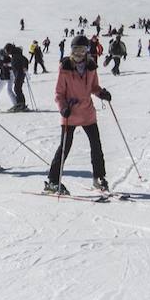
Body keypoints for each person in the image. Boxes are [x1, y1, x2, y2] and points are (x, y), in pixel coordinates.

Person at [44, 35, 111, 194]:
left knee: (96, 146)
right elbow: (59, 93)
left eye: (82, 50)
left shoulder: (91, 66)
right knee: (65, 147)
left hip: (87, 112)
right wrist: (63, 108)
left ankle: (99, 177)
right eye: (75, 50)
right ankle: (53, 180)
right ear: (71, 50)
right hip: (70, 113)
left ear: (87, 50)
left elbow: (94, 87)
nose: (78, 53)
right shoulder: (65, 67)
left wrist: (101, 93)